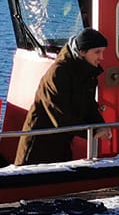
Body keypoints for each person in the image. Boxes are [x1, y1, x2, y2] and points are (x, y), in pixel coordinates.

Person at [13, 28, 109, 166]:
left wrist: (100, 125)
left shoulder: (87, 72)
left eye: (103, 52)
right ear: (82, 51)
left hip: (62, 141)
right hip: (39, 144)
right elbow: (60, 115)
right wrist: (92, 131)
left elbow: (89, 104)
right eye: (97, 52)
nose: (102, 57)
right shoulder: (59, 73)